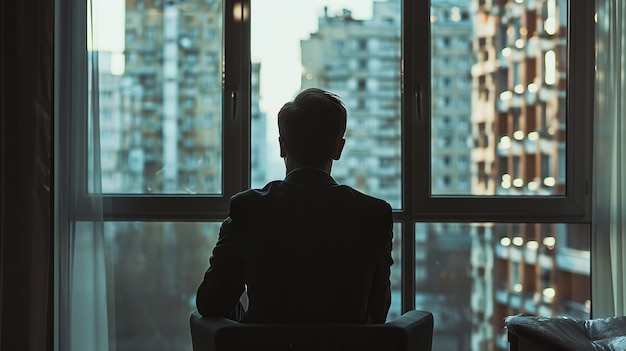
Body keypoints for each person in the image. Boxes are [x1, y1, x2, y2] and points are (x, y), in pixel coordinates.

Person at [196, 88, 393, 324]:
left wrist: (245, 326)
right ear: (338, 149)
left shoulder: (249, 208)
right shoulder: (373, 215)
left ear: (283, 146)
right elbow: (377, 314)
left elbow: (212, 301)